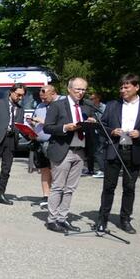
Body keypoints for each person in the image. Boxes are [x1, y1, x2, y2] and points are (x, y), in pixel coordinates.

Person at [96, 74, 140, 234]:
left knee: (129, 187)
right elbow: (102, 126)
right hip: (115, 149)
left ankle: (125, 219)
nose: (122, 90)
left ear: (136, 87)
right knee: (108, 187)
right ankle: (102, 219)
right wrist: (112, 131)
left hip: (134, 150)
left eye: (126, 87)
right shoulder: (112, 105)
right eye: (121, 87)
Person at [42, 77, 96, 233]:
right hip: (62, 150)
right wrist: (65, 127)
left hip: (80, 151)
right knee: (58, 187)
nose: (81, 92)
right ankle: (52, 220)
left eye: (84, 89)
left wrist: (91, 123)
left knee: (70, 188)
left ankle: (62, 218)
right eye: (78, 89)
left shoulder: (87, 106)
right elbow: (47, 127)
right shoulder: (57, 105)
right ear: (69, 89)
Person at [0, 83, 25, 206]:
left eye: (22, 96)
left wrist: (30, 133)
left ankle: (1, 194)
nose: (20, 98)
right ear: (11, 92)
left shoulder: (20, 109)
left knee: (6, 170)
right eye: (18, 95)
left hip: (11, 141)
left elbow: (20, 127)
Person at [26, 85, 61, 209]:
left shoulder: (60, 105)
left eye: (45, 98)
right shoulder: (40, 106)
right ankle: (45, 196)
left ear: (53, 93)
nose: (43, 100)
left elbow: (61, 124)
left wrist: (43, 121)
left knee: (54, 171)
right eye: (41, 98)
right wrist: (32, 123)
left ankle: (54, 198)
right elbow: (37, 121)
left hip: (52, 142)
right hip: (39, 142)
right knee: (44, 170)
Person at [89, 92, 108, 178]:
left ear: (98, 98)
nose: (91, 100)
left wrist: (95, 121)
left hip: (101, 132)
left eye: (92, 99)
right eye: (90, 99)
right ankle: (97, 169)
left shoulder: (103, 107)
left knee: (99, 150)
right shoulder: (91, 108)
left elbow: (105, 120)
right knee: (94, 151)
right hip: (93, 131)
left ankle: (103, 170)